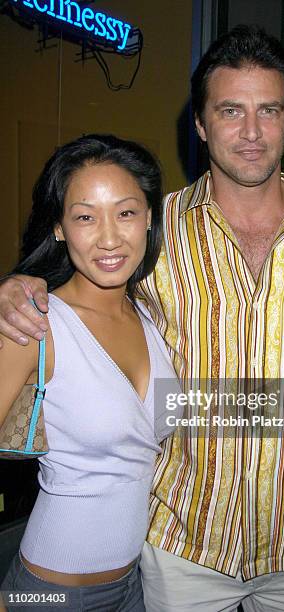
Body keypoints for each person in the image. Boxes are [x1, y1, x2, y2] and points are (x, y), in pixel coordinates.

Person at [0, 25, 284, 612]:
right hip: (183, 550)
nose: (250, 132)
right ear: (199, 122)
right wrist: (21, 285)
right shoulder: (150, 230)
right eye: (230, 110)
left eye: (269, 110)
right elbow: (85, 274)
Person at [0, 134, 180, 611]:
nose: (108, 237)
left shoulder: (155, 320)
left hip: (137, 584)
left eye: (125, 212)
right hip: (51, 593)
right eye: (85, 216)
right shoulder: (34, 324)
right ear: (59, 228)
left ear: (148, 219)